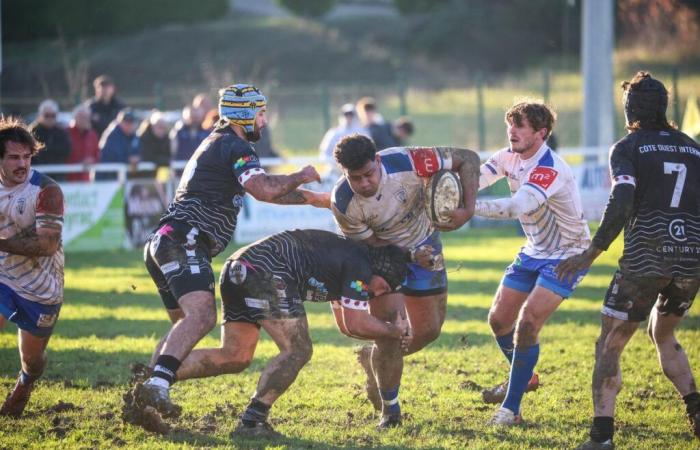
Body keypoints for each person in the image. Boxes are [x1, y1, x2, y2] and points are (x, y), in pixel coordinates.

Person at [135, 83, 327, 421]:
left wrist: (314, 199)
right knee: (203, 316)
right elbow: (263, 188)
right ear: (243, 113)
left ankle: (147, 393)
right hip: (185, 239)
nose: (264, 122)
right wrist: (301, 175)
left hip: (166, 240)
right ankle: (157, 385)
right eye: (261, 113)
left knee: (183, 328)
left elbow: (264, 192)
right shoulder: (236, 145)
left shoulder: (219, 142)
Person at [556, 72, 700, 449]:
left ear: (630, 109)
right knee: (663, 333)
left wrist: (593, 251)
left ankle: (601, 437)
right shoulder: (693, 148)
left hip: (645, 260)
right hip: (689, 261)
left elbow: (621, 201)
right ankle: (696, 410)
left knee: (610, 344)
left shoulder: (629, 146)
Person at [151, 229, 410, 437]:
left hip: (238, 266)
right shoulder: (359, 267)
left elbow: (349, 325)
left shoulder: (354, 263)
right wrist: (393, 331)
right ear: (378, 271)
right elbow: (357, 323)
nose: (377, 295)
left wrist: (386, 331)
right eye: (382, 287)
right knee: (298, 349)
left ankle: (154, 381)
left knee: (235, 355)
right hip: (265, 270)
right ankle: (253, 420)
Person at [330, 134, 480, 428]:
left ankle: (375, 359)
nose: (364, 184)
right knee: (390, 334)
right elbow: (372, 246)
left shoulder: (409, 161)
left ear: (378, 161)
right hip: (381, 259)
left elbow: (469, 158)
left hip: (426, 242)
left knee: (429, 330)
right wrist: (412, 256)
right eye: (354, 178)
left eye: (368, 174)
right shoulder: (344, 203)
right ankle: (390, 410)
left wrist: (468, 210)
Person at [474, 100, 590, 426]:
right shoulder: (506, 156)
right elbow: (474, 181)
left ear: (541, 133)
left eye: (520, 125)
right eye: (510, 123)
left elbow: (516, 206)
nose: (512, 130)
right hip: (534, 250)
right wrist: (443, 189)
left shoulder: (549, 167)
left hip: (569, 254)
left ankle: (510, 410)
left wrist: (468, 209)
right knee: (498, 321)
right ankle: (524, 376)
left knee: (527, 324)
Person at [0, 117, 65, 418]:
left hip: (41, 287)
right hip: (2, 275)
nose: (22, 163)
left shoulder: (46, 191)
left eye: (26, 156)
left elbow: (47, 246)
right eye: (14, 157)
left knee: (33, 359)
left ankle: (25, 383)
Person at [318, 103, 369, 169]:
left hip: (359, 168)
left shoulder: (362, 132)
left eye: (351, 115)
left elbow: (369, 152)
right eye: (346, 115)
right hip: (336, 170)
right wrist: (338, 163)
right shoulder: (334, 133)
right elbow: (324, 154)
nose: (348, 117)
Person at [28, 100, 71, 173]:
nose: (50, 118)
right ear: (40, 115)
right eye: (47, 115)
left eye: (53, 115)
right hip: (38, 173)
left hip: (58, 173)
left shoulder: (61, 131)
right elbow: (32, 153)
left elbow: (67, 150)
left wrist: (46, 149)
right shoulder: (32, 131)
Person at [99, 108, 140, 176]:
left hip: (123, 176)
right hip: (107, 177)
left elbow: (137, 153)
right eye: (126, 122)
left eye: (131, 122)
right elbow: (112, 157)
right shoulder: (112, 135)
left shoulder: (134, 136)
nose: (129, 125)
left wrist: (137, 158)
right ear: (120, 122)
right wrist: (129, 159)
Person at [66, 104, 100, 182]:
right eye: (81, 117)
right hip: (68, 181)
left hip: (86, 181)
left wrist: (92, 160)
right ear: (75, 118)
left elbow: (97, 154)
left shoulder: (93, 135)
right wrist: (79, 162)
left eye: (86, 118)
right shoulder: (66, 133)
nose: (84, 120)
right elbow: (63, 156)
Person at [137, 111, 171, 176]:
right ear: (152, 125)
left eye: (164, 127)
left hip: (159, 175)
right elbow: (147, 157)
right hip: (144, 176)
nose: (162, 130)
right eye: (160, 127)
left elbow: (167, 157)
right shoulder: (143, 138)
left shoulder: (166, 139)